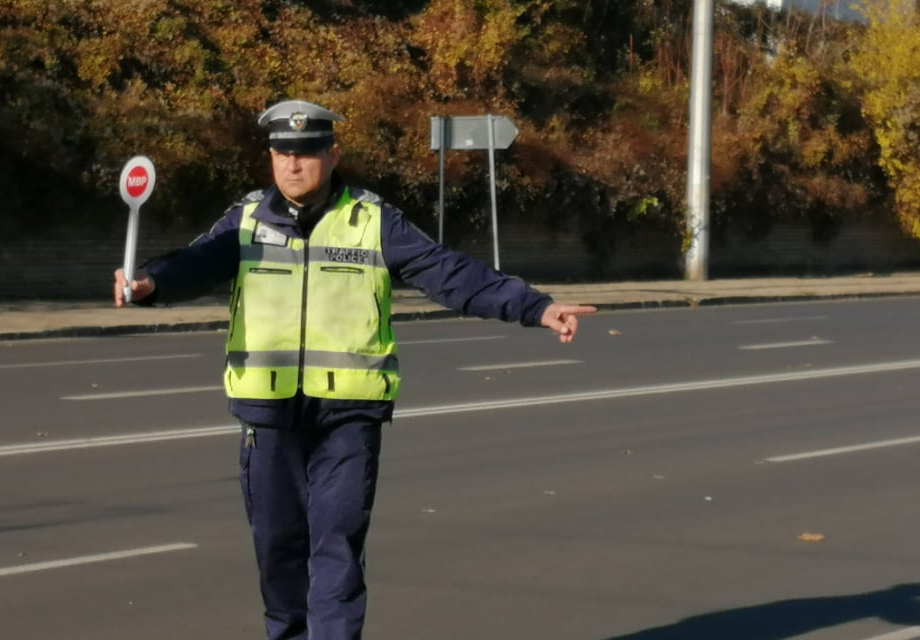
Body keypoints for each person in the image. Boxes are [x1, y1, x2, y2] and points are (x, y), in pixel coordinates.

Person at [113, 99, 595, 640]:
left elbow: (449, 272)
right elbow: (193, 263)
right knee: (278, 552)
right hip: (268, 417)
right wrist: (149, 282)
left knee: (336, 548)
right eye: (281, 153)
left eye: (306, 153)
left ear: (332, 153)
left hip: (348, 418)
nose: (292, 165)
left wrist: (535, 307)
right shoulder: (246, 220)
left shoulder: (371, 219)